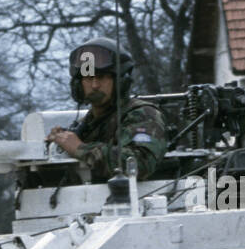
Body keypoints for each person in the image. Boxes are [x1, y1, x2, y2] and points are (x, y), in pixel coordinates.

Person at [46, 38, 168, 181]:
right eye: (88, 78)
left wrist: (79, 148)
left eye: (102, 77)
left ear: (120, 81)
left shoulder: (143, 114)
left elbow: (139, 163)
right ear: (78, 85)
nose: (95, 85)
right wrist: (58, 145)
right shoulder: (87, 123)